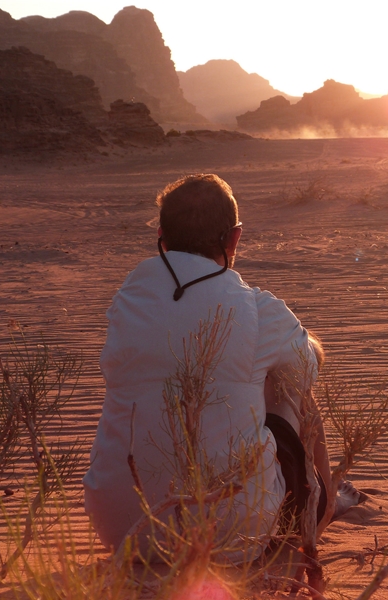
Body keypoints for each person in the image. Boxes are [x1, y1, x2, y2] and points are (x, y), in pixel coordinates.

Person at [83, 173, 359, 557]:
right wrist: (293, 339)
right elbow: (309, 364)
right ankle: (321, 510)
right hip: (233, 535)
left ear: (161, 235)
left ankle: (316, 506)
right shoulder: (258, 309)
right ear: (234, 238)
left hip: (122, 529)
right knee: (291, 385)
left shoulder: (126, 301)